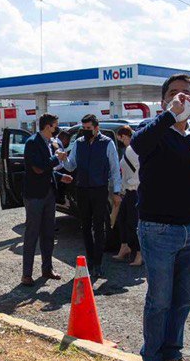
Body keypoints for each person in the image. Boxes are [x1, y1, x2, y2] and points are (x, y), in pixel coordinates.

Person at [130, 74, 190, 361]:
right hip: (157, 229)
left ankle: (172, 353)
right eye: (173, 94)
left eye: (186, 94)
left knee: (183, 297)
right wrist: (170, 114)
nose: (180, 98)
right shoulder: (155, 131)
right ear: (163, 100)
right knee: (160, 299)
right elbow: (139, 145)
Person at [61, 114, 122, 278]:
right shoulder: (78, 143)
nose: (86, 131)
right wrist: (63, 160)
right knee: (85, 226)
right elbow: (71, 165)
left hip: (99, 189)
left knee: (99, 226)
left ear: (97, 128)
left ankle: (98, 262)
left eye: (89, 128)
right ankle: (90, 259)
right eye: (84, 128)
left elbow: (115, 169)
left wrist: (116, 191)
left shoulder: (107, 144)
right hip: (82, 189)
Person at [20, 113, 69, 286]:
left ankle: (47, 269)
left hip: (48, 193)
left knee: (48, 233)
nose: (57, 128)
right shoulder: (33, 142)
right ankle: (26, 274)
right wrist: (58, 158)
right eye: (56, 125)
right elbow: (38, 168)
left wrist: (60, 175)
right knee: (32, 233)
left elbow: (46, 169)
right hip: (34, 196)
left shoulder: (50, 143)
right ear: (48, 126)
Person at [112, 125, 142, 266]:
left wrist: (130, 183)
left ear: (124, 136)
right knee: (123, 220)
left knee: (132, 223)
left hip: (134, 190)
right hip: (129, 191)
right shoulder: (130, 149)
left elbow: (138, 171)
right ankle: (125, 247)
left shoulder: (133, 150)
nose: (121, 141)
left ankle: (139, 254)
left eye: (121, 138)